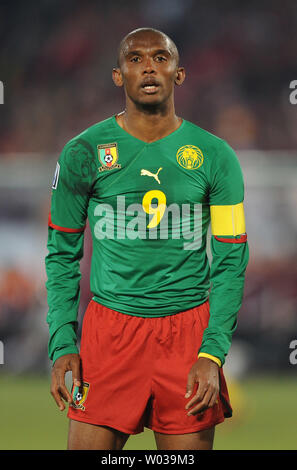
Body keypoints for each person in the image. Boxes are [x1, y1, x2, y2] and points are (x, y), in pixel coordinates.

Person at [45, 27, 249, 450]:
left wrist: (212, 354)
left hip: (187, 335)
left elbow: (232, 260)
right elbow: (62, 253)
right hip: (107, 337)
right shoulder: (83, 153)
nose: (149, 67)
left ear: (179, 74)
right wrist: (64, 341)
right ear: (118, 75)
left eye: (160, 57)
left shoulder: (216, 156)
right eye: (135, 59)